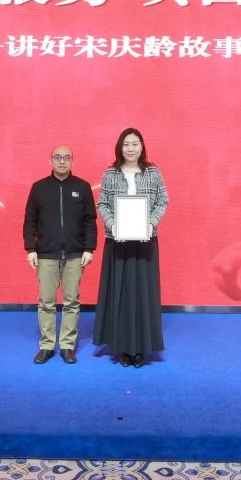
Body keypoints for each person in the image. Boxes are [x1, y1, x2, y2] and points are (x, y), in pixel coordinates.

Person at [93, 127, 167, 367]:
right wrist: (113, 225)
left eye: (135, 144)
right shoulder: (110, 173)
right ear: (120, 147)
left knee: (144, 295)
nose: (131, 148)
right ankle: (123, 347)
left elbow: (163, 201)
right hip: (118, 243)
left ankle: (142, 348)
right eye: (126, 144)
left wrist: (150, 223)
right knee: (121, 295)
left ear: (142, 146)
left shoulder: (153, 172)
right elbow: (102, 204)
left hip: (145, 243)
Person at [23, 145, 97, 364]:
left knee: (71, 301)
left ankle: (67, 345)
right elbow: (29, 221)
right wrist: (31, 249)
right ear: (51, 161)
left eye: (66, 157)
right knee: (46, 302)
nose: (62, 161)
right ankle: (46, 346)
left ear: (72, 161)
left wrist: (89, 248)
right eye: (58, 157)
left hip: (75, 254)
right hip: (46, 254)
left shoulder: (82, 187)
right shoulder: (39, 188)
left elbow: (90, 221)